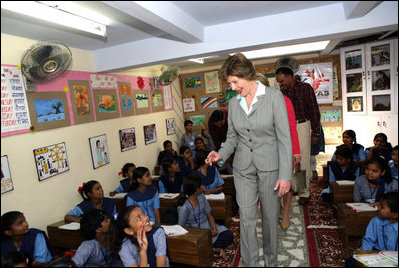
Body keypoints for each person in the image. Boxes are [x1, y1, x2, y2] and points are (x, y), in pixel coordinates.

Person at [206, 53, 292, 267]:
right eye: (230, 83)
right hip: (243, 167)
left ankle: (271, 262)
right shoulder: (234, 104)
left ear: (248, 75)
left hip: (270, 167)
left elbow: (284, 139)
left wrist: (285, 176)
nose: (233, 87)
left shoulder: (274, 98)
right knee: (246, 219)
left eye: (235, 81)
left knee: (271, 220)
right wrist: (221, 154)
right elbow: (232, 137)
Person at [256, 73, 300, 231]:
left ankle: (286, 213)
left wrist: (296, 152)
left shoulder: (283, 100)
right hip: (264, 152)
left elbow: (291, 128)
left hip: (283, 149)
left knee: (285, 183)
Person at [276, 63, 321, 206]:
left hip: (302, 126)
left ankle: (304, 192)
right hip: (285, 128)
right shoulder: (281, 93)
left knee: (302, 160)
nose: (280, 83)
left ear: (290, 77)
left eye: (282, 80)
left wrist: (316, 132)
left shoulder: (305, 88)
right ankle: (293, 188)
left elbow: (314, 111)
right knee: (288, 160)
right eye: (278, 81)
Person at [177, 173, 233, 258]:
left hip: (207, 227)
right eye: (201, 185)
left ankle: (210, 248)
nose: (203, 187)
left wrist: (214, 229)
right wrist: (201, 235)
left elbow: (209, 215)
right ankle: (213, 248)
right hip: (194, 233)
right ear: (196, 189)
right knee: (196, 244)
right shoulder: (183, 207)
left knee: (228, 235)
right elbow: (181, 227)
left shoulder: (201, 197)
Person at [345, 191, 398, 266]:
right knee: (350, 262)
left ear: (395, 214)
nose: (378, 208)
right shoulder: (375, 221)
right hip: (377, 255)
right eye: (379, 205)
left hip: (394, 259)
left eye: (382, 207)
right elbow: (368, 241)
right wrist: (364, 256)